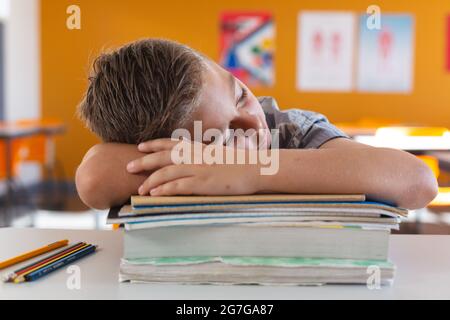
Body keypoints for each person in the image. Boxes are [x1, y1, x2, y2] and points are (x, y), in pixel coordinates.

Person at [75, 38, 438, 210]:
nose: (253, 120)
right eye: (222, 136)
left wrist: (250, 169)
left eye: (240, 94)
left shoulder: (292, 129)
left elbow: (417, 182)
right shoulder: (178, 167)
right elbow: (93, 178)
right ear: (176, 153)